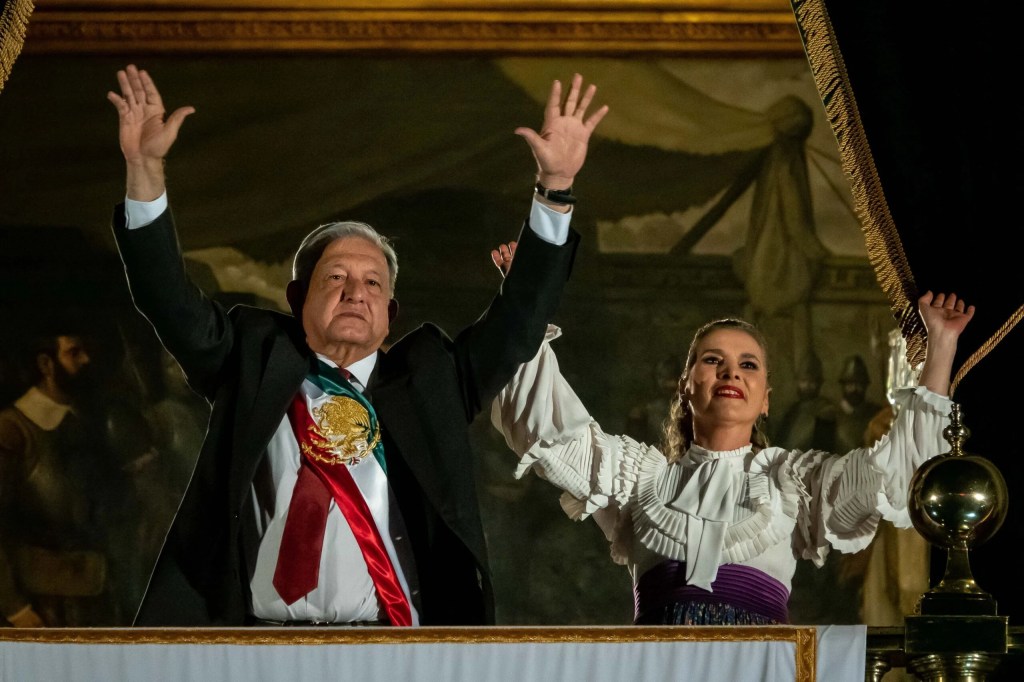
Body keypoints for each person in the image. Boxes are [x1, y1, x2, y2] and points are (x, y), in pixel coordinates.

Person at [107, 64, 607, 626]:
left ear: (390, 314)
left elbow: (520, 320)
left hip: (396, 648)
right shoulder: (249, 358)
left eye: (373, 282)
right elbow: (166, 299)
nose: (355, 292)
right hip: (257, 648)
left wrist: (555, 189)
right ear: (298, 298)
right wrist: (144, 169)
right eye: (335, 278)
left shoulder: (431, 380)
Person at [489, 267, 973, 624]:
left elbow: (898, 470)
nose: (730, 373)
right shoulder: (637, 479)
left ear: (766, 399)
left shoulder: (792, 482)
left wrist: (941, 347)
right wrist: (525, 301)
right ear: (685, 386)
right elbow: (545, 427)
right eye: (712, 360)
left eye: (748, 365)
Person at [0, 330, 118, 627]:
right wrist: (15, 608)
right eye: (74, 352)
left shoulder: (85, 420)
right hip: (44, 603)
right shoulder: (12, 429)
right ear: (46, 364)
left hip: (97, 590)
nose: (86, 360)